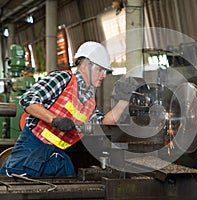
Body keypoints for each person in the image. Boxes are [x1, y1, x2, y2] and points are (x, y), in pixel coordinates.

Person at [0, 41, 130, 177]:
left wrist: (124, 100)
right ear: (85, 65)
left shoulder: (90, 101)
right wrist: (54, 120)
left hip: (56, 157)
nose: (104, 75)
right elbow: (28, 99)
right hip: (31, 152)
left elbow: (104, 123)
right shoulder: (63, 79)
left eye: (105, 71)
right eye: (100, 70)